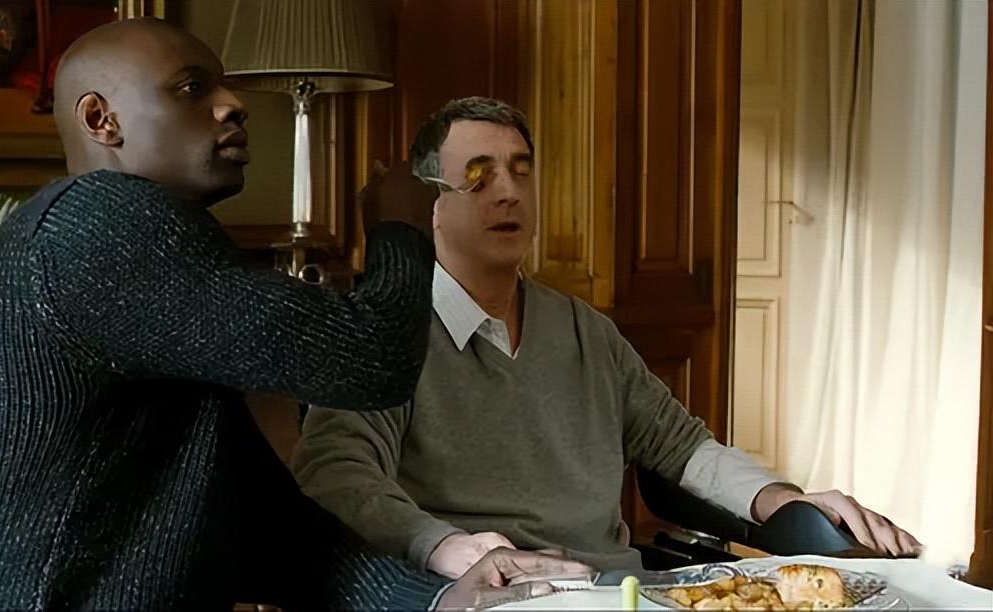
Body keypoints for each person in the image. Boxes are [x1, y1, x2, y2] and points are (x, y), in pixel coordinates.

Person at [0, 24, 590, 609]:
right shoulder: (92, 226)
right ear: (102, 119)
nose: (233, 103)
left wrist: (439, 598)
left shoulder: (137, 265)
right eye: (192, 88)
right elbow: (371, 362)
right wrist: (398, 228)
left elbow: (270, 524)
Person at [292, 96, 923, 579]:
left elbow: (683, 448)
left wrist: (782, 500)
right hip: (487, 592)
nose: (508, 191)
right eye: (478, 175)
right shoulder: (383, 333)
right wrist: (446, 547)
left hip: (618, 590)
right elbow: (336, 474)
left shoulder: (584, 330)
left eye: (521, 171)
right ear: (431, 203)